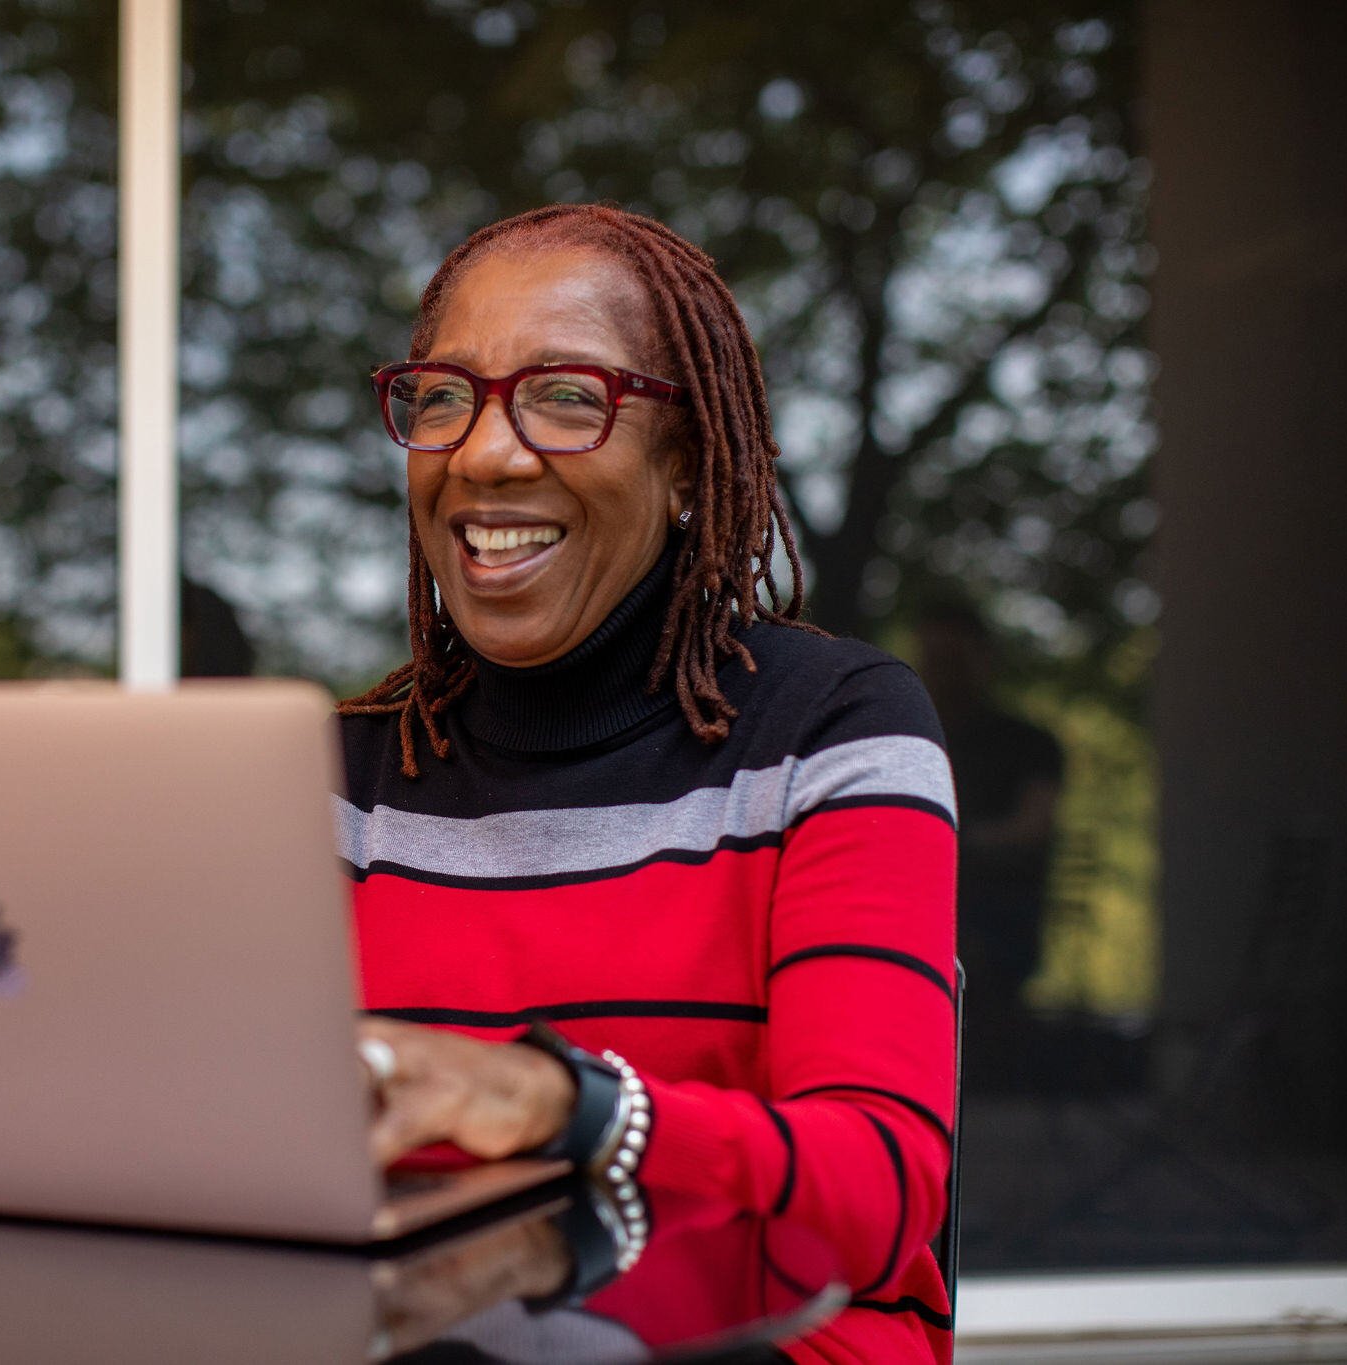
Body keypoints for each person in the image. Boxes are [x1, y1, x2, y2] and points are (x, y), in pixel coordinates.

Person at [336, 204, 957, 1364]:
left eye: (566, 397)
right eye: (441, 397)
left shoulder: (831, 729)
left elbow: (877, 1190)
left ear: (684, 466)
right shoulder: (338, 779)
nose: (483, 452)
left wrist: (568, 1107)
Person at [914, 600, 1063, 1089]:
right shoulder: (905, 736)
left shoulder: (1028, 743)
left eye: (954, 659)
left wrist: (945, 844)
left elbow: (1031, 829)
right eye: (936, 659)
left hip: (993, 916)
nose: (944, 673)